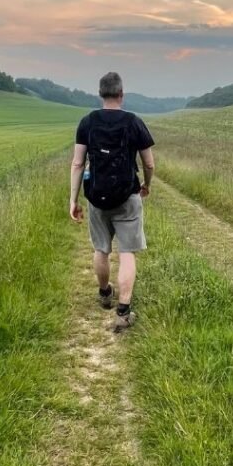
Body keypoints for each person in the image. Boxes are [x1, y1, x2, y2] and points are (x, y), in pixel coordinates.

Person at [69, 71, 155, 332]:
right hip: (128, 196)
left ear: (100, 94)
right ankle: (123, 311)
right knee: (127, 252)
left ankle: (105, 293)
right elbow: (149, 163)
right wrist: (146, 185)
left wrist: (73, 199)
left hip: (96, 197)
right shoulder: (134, 122)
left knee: (101, 249)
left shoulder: (87, 122)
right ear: (121, 94)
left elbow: (77, 162)